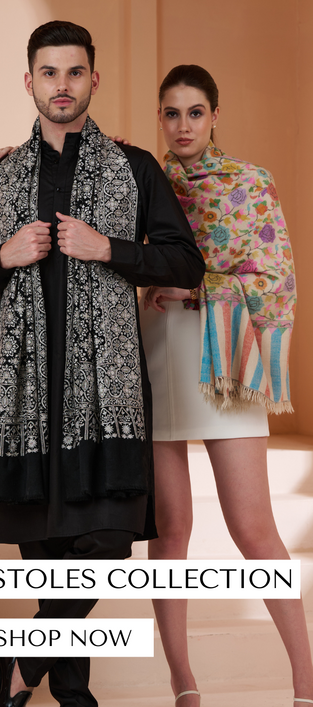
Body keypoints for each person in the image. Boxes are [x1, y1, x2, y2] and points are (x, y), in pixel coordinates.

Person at [0, 21, 205, 707]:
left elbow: (186, 261)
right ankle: (69, 694)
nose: (61, 85)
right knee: (53, 571)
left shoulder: (136, 167)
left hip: (108, 408)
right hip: (26, 411)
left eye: (73, 72)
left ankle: (20, 661)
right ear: (28, 81)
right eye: (48, 72)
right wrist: (4, 256)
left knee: (107, 544)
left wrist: (110, 248)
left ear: (94, 78)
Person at [141, 64, 313, 706]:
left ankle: (306, 680)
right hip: (157, 354)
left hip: (230, 360)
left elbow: (276, 280)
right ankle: (183, 683)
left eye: (195, 112)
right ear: (160, 119)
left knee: (253, 527)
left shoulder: (250, 183)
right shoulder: (142, 183)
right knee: (169, 531)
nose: (183, 125)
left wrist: (196, 287)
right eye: (171, 113)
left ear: (215, 116)